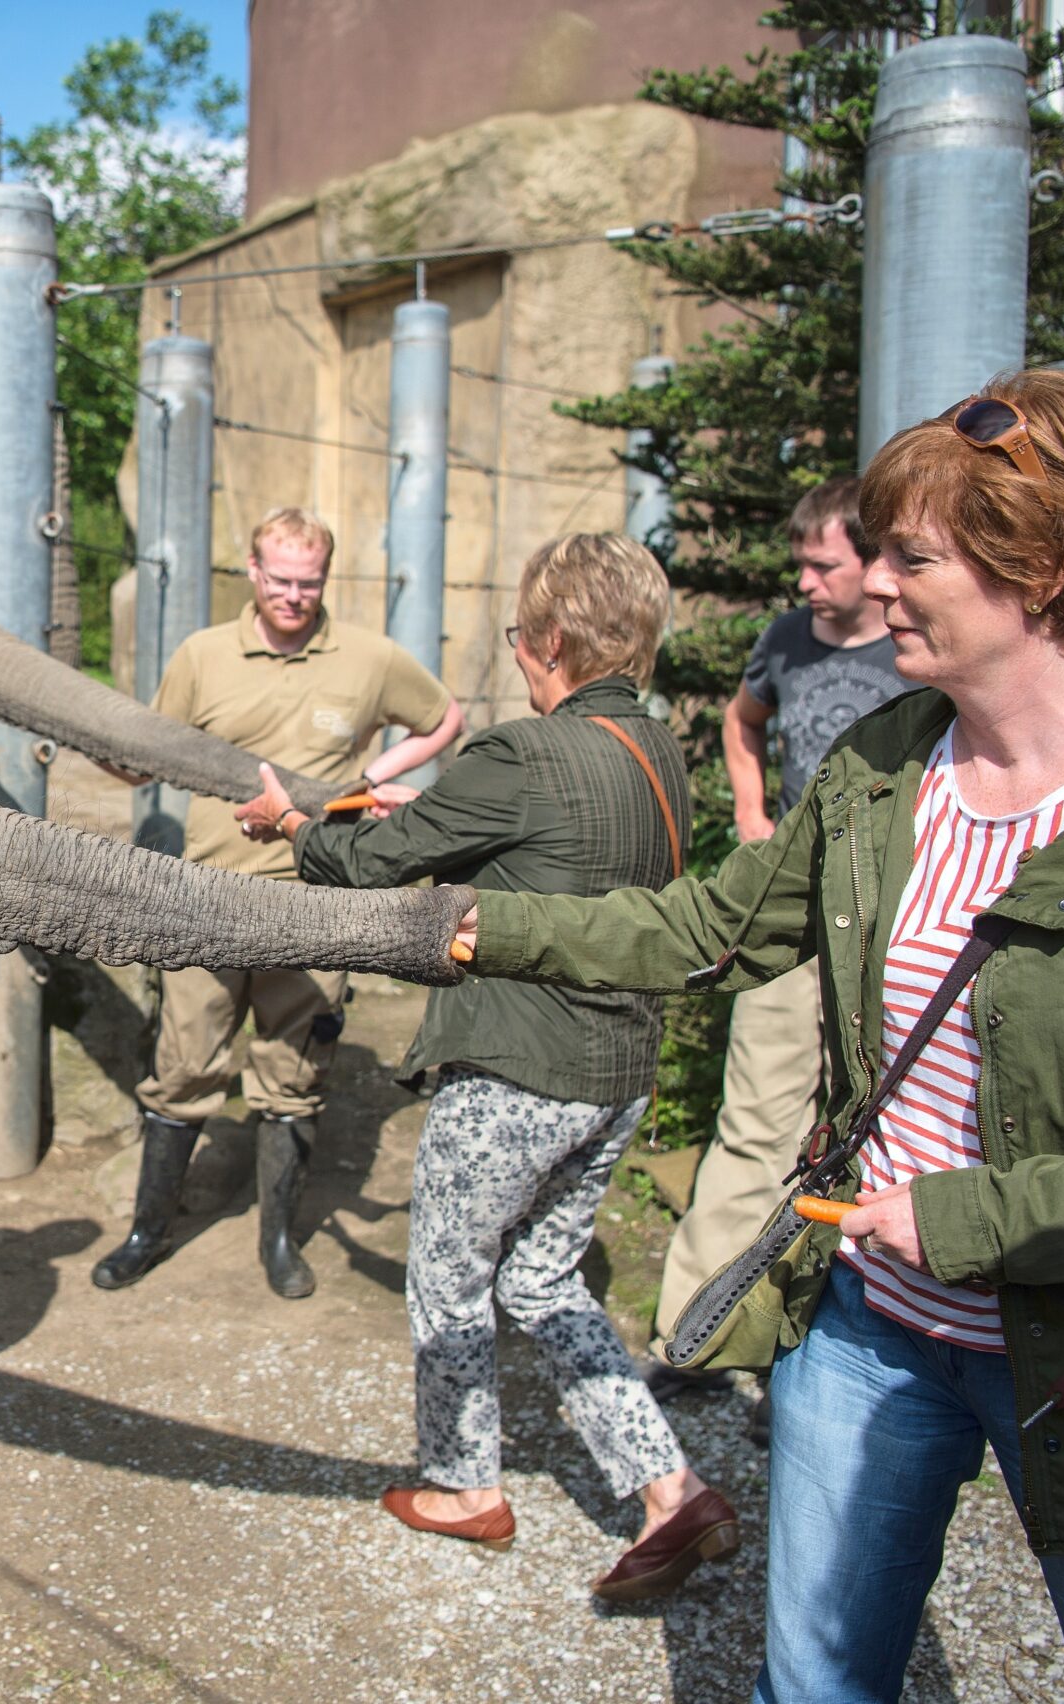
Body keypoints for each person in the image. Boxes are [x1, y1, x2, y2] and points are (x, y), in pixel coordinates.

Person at [452, 370, 1064, 1699]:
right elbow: (700, 932)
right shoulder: (887, 766)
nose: (875, 586)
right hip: (871, 1327)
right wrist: (473, 929)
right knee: (817, 1680)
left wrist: (972, 1220)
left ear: (1050, 567)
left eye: (914, 558)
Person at [241, 532, 741, 1600]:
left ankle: (464, 1484)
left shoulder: (525, 753)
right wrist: (419, 819)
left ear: (553, 640)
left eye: (520, 636)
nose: (519, 654)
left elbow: (371, 867)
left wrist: (293, 822)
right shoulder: (658, 752)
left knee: (451, 1280)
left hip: (519, 1064)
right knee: (540, 1276)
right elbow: (543, 856)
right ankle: (668, 1488)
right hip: (617, 1071)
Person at [95, 505, 463, 1299]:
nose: (295, 597)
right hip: (209, 900)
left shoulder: (367, 658)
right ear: (254, 573)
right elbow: (152, 749)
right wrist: (101, 743)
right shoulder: (201, 656)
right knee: (185, 1065)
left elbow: (445, 718)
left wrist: (370, 781)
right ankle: (145, 1234)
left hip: (314, 901)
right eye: (281, 581)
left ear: (324, 578)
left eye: (309, 583)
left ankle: (279, 1244)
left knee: (292, 1074)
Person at [649, 477, 910, 1433]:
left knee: (872, 1134)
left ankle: (809, 1354)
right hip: (797, 913)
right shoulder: (787, 642)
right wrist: (754, 816)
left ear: (872, 563)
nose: (804, 579)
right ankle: (696, 1327)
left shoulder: (921, 644)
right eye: (799, 561)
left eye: (821, 562)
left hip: (894, 927)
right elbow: (741, 722)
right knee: (756, 1117)